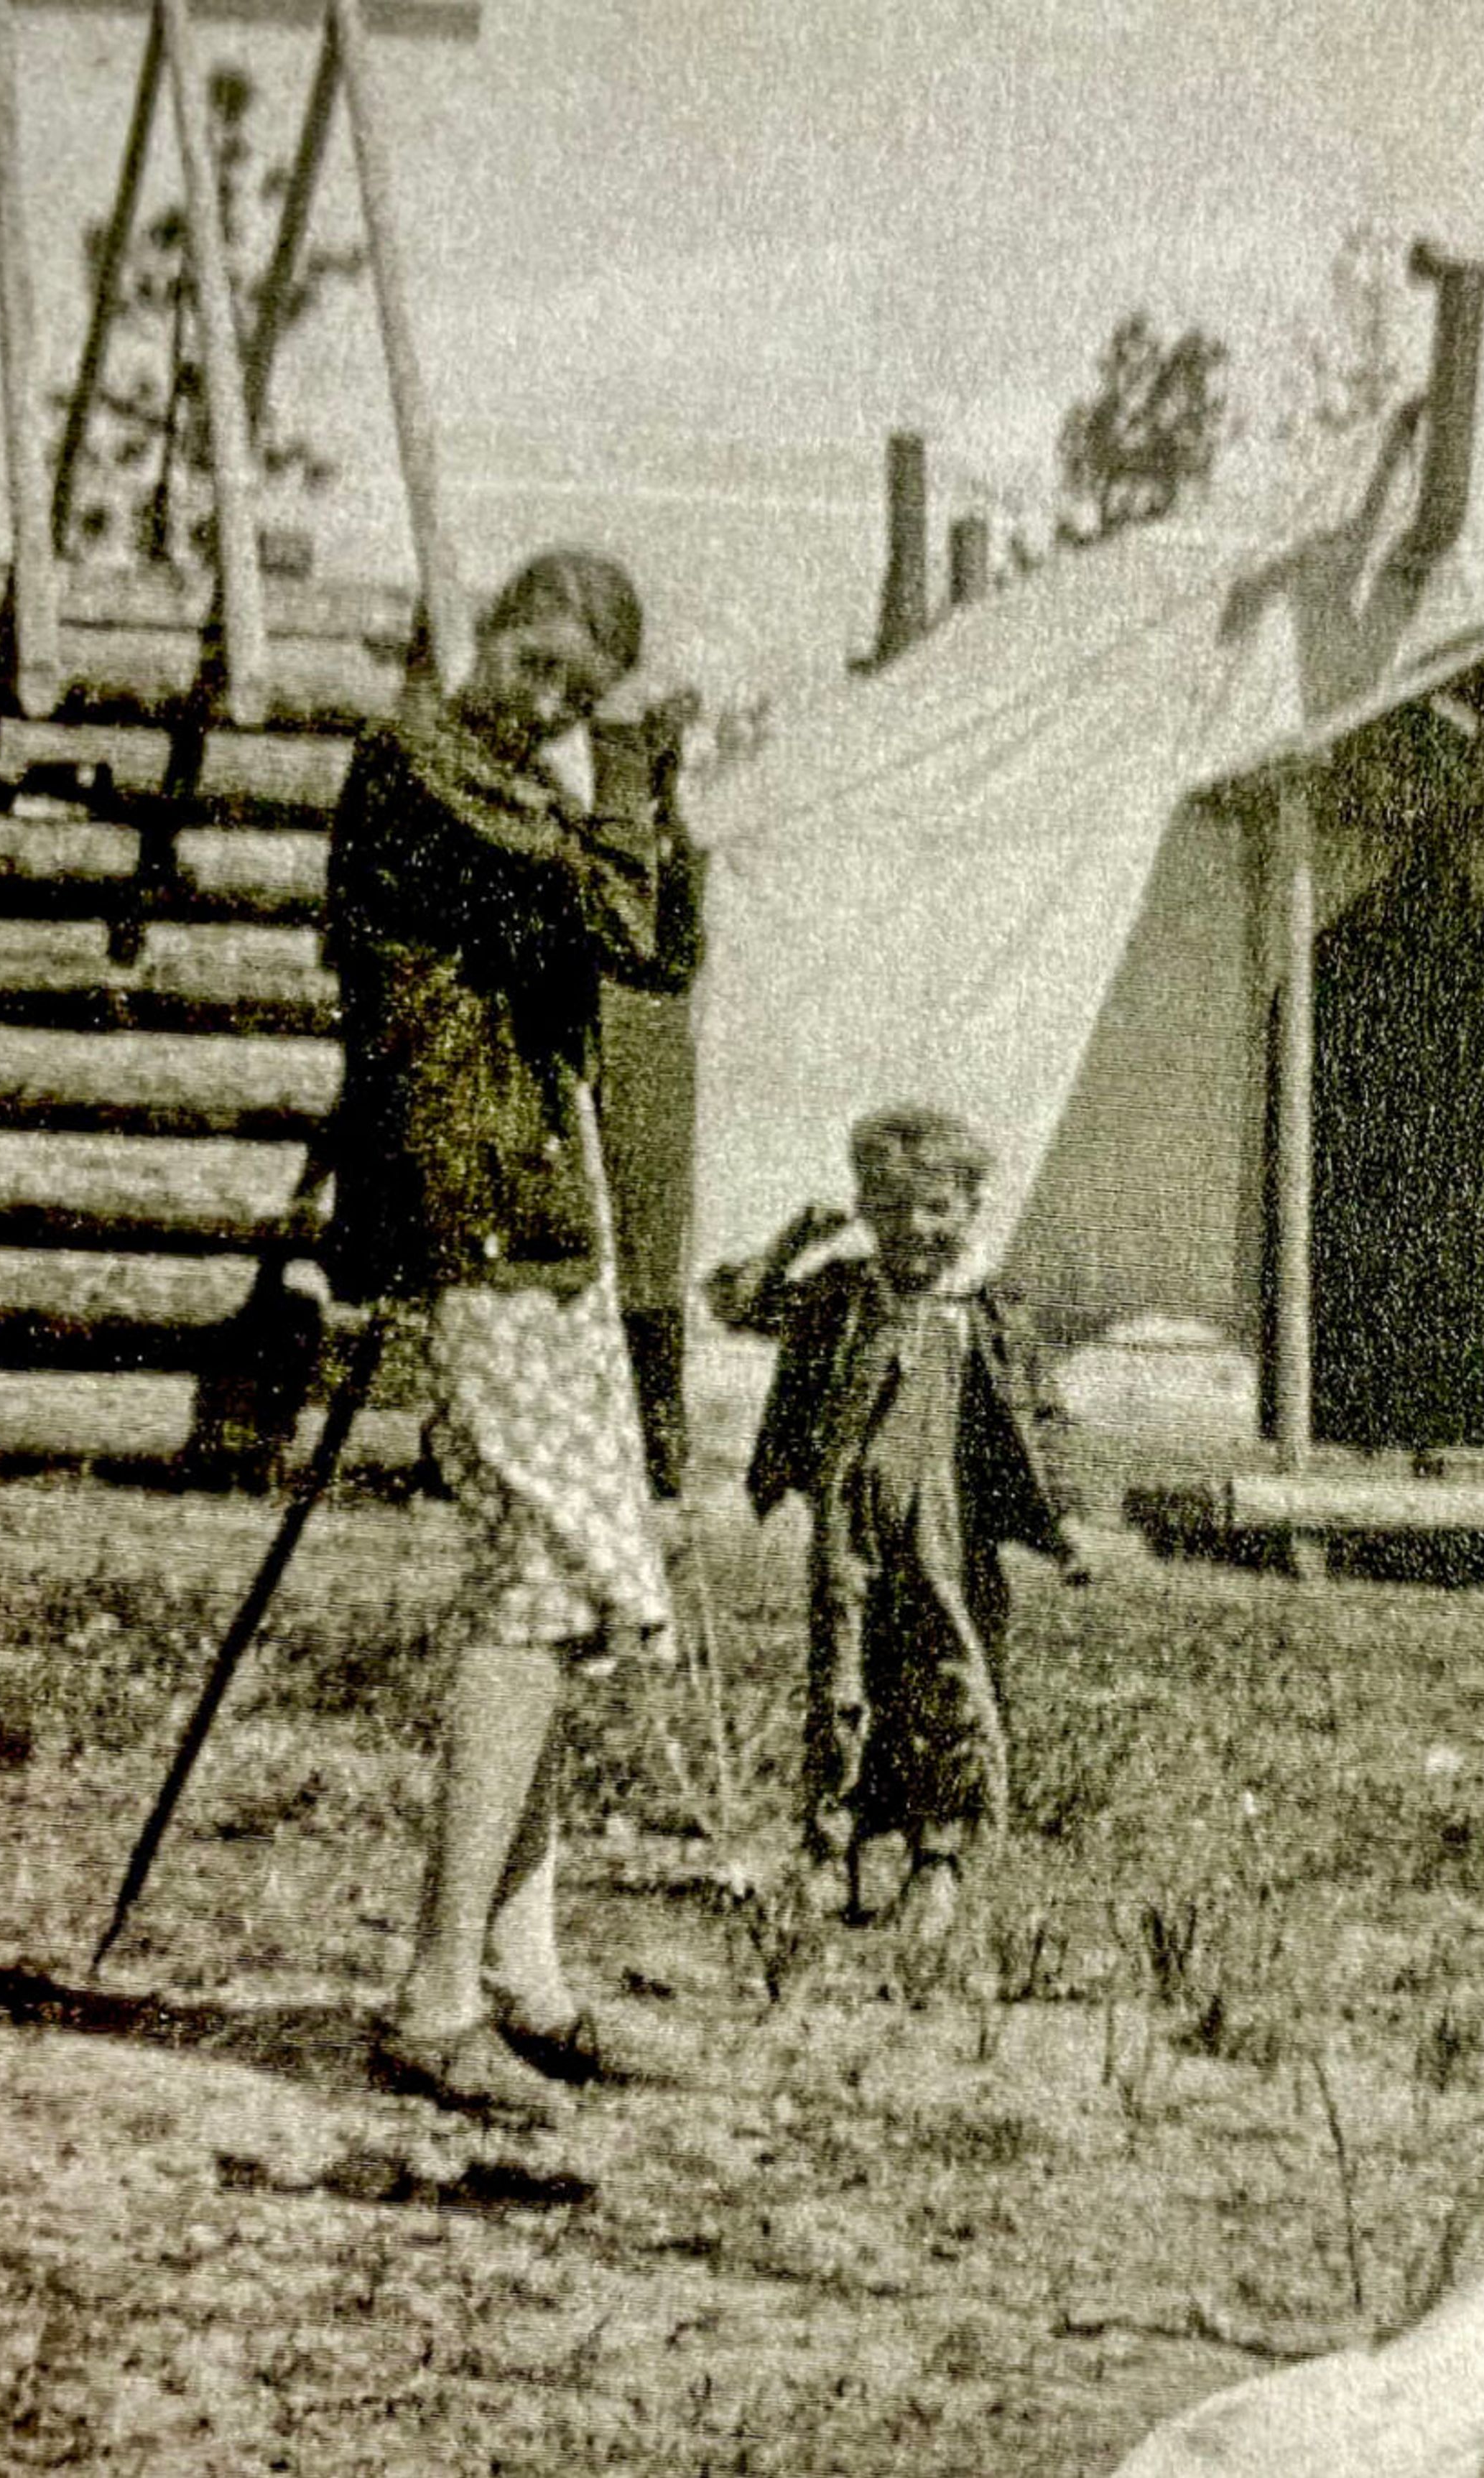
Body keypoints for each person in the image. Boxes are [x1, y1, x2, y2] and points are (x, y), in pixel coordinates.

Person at [320, 548, 704, 2127]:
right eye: (534, 665)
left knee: (558, 1594)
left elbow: (664, 952)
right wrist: (623, 779)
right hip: (473, 1225)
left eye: (579, 690)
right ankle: (433, 1998)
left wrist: (656, 795)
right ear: (489, 636)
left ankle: (524, 1982)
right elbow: (614, 923)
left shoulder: (513, 791)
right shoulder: (419, 767)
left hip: (548, 1227)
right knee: (534, 1595)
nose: (546, 701)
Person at [704, 1105, 1088, 1947]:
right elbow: (737, 1303)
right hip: (851, 1527)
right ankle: (830, 1847)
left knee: (945, 1678)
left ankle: (937, 1858)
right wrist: (793, 1240)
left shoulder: (987, 1313)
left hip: (949, 1536)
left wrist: (1066, 1522)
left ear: (971, 1210)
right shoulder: (841, 1294)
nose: (915, 1229)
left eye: (937, 1210)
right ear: (864, 1209)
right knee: (843, 1674)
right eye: (890, 1207)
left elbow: (1044, 1420)